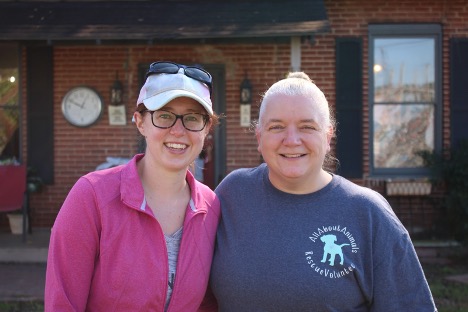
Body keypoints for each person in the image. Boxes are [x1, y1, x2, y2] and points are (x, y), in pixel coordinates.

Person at [208, 72, 437, 311]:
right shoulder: (232, 194)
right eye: (277, 127)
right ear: (259, 136)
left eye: (307, 127)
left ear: (327, 137)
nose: (292, 140)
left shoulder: (368, 213)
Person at [45, 61, 220, 311]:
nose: (178, 131)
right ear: (140, 122)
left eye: (192, 118)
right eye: (164, 116)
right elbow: (62, 304)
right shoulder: (92, 196)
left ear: (206, 129)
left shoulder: (211, 207)